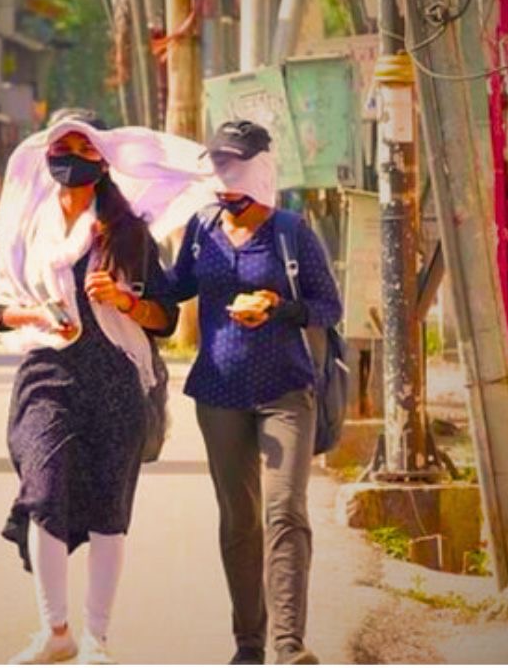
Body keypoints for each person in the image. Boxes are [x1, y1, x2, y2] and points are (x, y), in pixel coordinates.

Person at [0, 114, 215, 664]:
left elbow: (164, 316)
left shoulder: (127, 231)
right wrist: (38, 314)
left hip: (116, 375)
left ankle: (96, 640)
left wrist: (125, 302)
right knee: (43, 492)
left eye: (80, 147)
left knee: (108, 509)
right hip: (47, 372)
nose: (68, 157)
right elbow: (2, 311)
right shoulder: (27, 226)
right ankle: (55, 630)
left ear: (102, 157)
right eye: (59, 147)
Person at [166, 120, 343, 665]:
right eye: (220, 168)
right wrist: (125, 273)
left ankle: (290, 647)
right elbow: (174, 290)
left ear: (262, 169)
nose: (227, 181)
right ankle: (249, 644)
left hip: (286, 391)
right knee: (238, 520)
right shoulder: (202, 228)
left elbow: (328, 307)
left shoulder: (292, 232)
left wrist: (278, 306)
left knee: (285, 511)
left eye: (237, 167)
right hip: (218, 393)